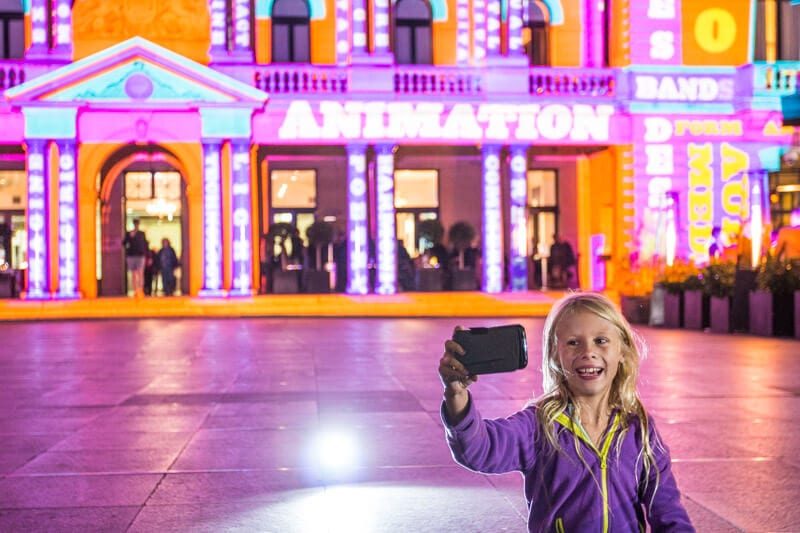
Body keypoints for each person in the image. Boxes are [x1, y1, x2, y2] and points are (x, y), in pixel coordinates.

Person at [437, 292, 694, 532]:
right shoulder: (538, 424)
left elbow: (668, 509)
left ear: (623, 352)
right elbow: (480, 449)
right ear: (554, 356)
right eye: (573, 343)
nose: (588, 352)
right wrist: (456, 394)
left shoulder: (639, 429)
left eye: (601, 341)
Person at [122, 219, 148, 297]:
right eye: (135, 224)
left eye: (137, 224)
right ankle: (135, 290)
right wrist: (130, 237)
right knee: (133, 274)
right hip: (131, 255)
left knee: (140, 273)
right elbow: (123, 243)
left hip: (140, 256)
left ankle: (140, 290)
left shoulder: (141, 234)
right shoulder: (129, 233)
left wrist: (146, 255)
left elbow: (145, 245)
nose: (136, 225)